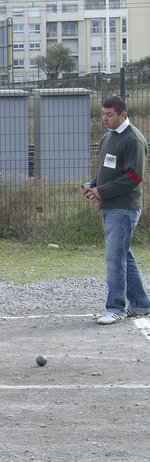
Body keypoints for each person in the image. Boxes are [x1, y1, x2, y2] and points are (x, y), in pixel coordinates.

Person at [82, 95, 150, 325]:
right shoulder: (108, 137)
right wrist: (93, 185)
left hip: (124, 208)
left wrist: (104, 191)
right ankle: (140, 303)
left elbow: (134, 176)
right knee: (123, 256)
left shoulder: (133, 140)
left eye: (109, 115)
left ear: (122, 115)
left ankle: (116, 308)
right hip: (110, 205)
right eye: (103, 114)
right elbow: (106, 170)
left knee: (115, 259)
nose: (105, 119)